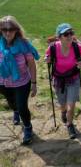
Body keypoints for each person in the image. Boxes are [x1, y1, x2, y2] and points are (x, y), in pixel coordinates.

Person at [0, 15, 40, 144]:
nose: (7, 32)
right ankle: (15, 111)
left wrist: (34, 83)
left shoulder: (23, 44)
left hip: (22, 82)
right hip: (3, 82)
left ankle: (28, 127)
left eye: (11, 29)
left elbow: (31, 64)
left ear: (16, 30)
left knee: (22, 107)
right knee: (12, 103)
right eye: (4, 29)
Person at [45, 23, 81, 139]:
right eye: (66, 34)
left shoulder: (77, 47)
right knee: (62, 104)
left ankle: (69, 124)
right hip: (59, 79)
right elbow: (47, 57)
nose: (69, 36)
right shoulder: (53, 48)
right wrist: (47, 60)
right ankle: (63, 112)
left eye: (71, 33)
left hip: (73, 78)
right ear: (59, 37)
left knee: (71, 105)